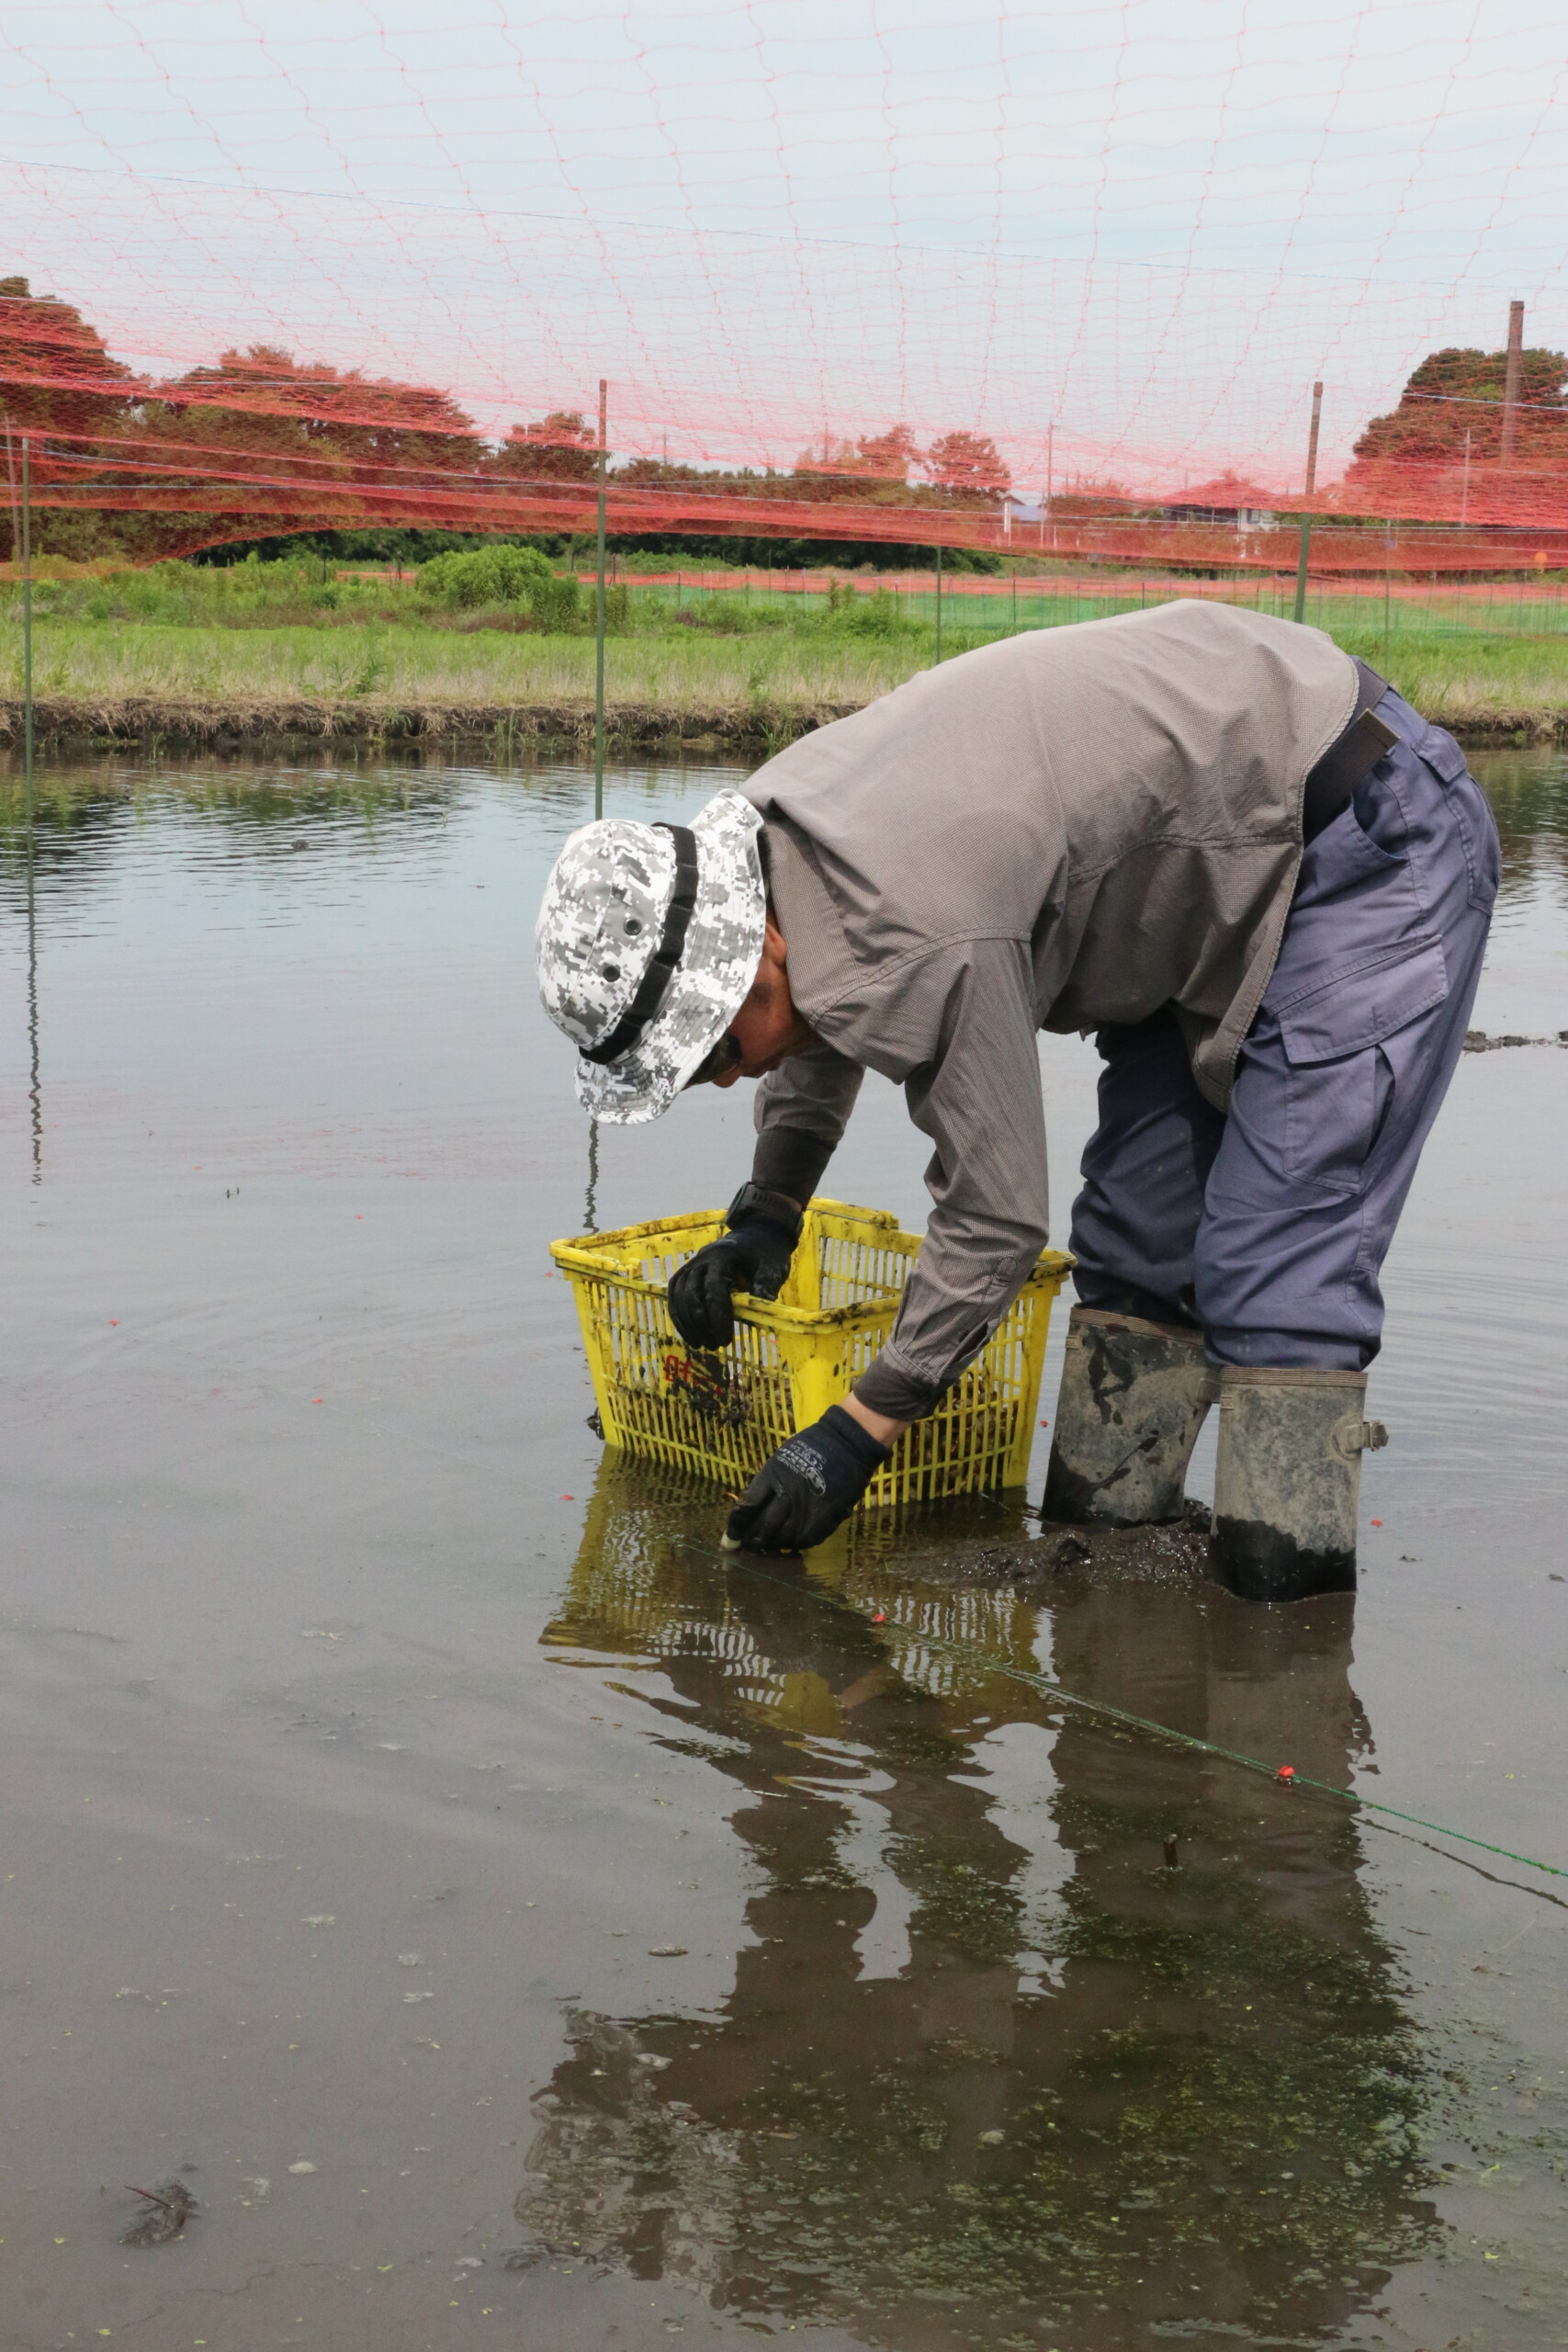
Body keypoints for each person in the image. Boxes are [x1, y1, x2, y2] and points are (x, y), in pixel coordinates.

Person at [535, 600, 1497, 1598]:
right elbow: (824, 1016)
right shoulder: (774, 848)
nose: (731, 1075)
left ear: (751, 952)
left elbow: (994, 1221)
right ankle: (1112, 1621)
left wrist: (856, 1431)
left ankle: (1281, 1639)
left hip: (1357, 831)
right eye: (700, 1072)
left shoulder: (923, 922)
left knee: (1277, 1271)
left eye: (719, 1050)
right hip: (1191, 882)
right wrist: (766, 1216)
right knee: (1134, 1250)